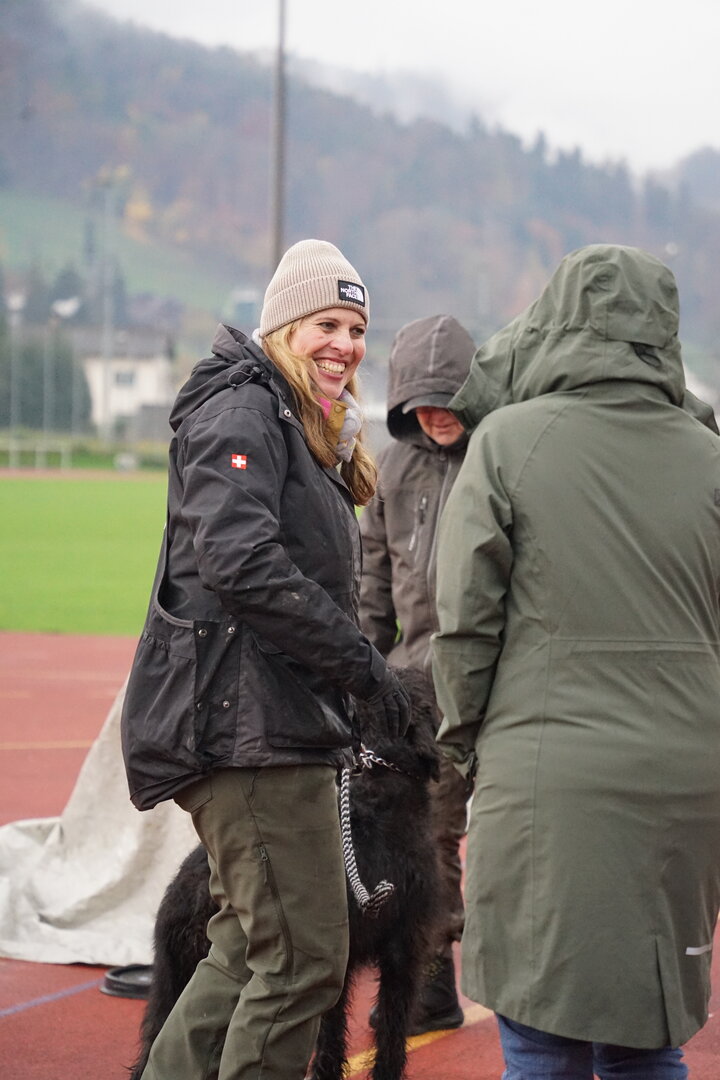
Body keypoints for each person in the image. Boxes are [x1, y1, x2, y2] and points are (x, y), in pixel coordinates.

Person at [120, 239, 411, 1080]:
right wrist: (363, 668)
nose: (346, 345)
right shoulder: (245, 411)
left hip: (271, 722)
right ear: (285, 326)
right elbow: (241, 562)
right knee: (303, 961)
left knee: (249, 949)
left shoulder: (293, 421)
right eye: (328, 324)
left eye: (357, 329)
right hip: (248, 731)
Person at [431, 243, 720, 1080]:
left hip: (543, 773)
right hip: (688, 775)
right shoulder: (709, 455)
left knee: (540, 1035)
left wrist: (458, 751)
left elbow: (465, 624)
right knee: (648, 1034)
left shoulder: (508, 442)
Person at [359, 313, 476, 1033]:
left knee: (502, 842)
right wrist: (362, 672)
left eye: (447, 398)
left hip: (491, 680)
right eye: (418, 401)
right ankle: (433, 987)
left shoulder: (499, 456)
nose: (433, 413)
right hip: (415, 692)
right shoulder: (392, 468)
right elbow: (372, 579)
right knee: (426, 835)